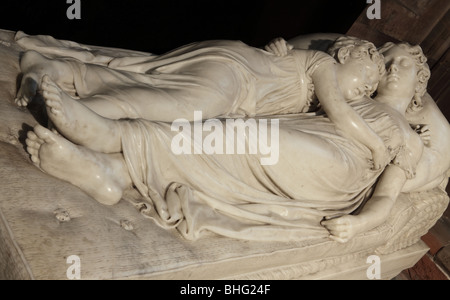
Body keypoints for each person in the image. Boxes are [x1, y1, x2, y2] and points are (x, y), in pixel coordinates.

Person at [24, 42, 434, 243]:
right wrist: (283, 49)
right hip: (296, 129)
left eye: (404, 64)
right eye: (386, 60)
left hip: (338, 164)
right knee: (223, 132)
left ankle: (109, 135)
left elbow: (386, 199)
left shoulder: (409, 140)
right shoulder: (342, 91)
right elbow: (306, 74)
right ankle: (110, 169)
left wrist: (361, 222)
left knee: (246, 137)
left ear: (420, 89)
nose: (392, 68)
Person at [16, 34, 388, 169]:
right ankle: (87, 116)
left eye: (371, 90)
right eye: (366, 77)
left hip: (235, 84)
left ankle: (54, 67)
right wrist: (376, 145)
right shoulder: (323, 66)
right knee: (180, 109)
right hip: (236, 74)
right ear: (344, 55)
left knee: (153, 90)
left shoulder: (312, 92)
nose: (364, 90)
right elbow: (340, 114)